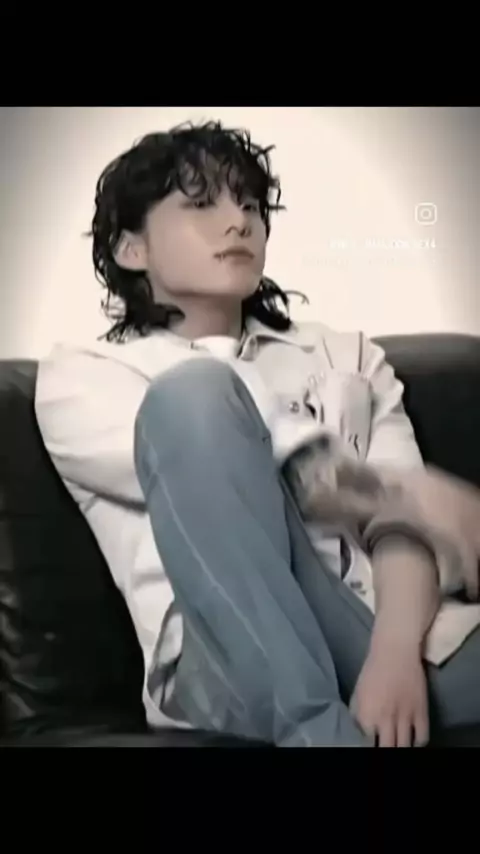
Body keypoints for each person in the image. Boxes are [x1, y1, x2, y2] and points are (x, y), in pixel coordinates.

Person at [34, 120, 480, 747]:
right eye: (201, 204)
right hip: (230, 655)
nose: (238, 222)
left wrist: (394, 655)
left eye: (249, 205)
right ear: (132, 249)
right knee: (191, 396)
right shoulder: (85, 375)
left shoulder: (346, 354)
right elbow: (226, 469)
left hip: (382, 633)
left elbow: (403, 532)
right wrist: (393, 492)